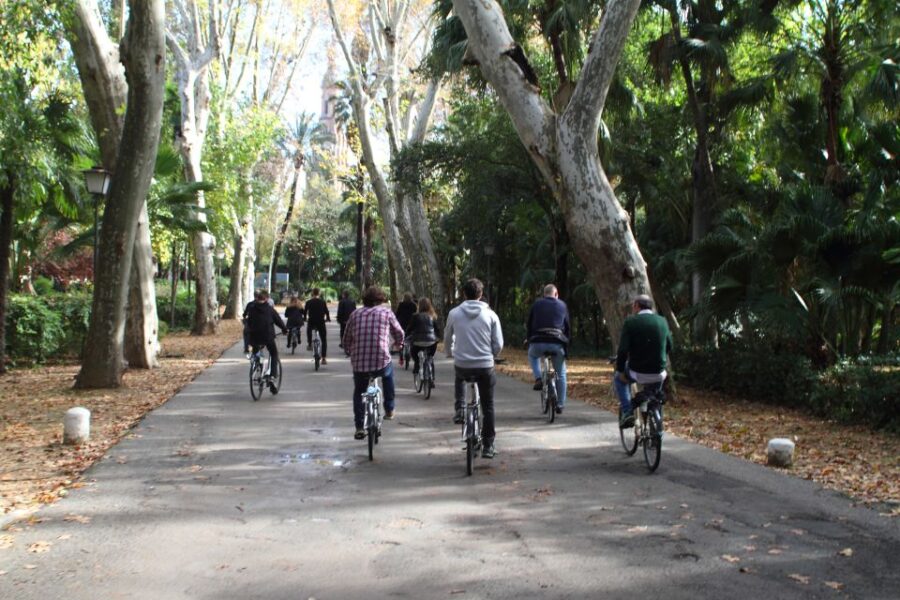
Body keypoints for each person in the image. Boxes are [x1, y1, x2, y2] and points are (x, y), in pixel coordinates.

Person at [444, 278, 504, 459]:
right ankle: (488, 445)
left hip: (462, 363)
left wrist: (449, 352)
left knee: (460, 376)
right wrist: (492, 354)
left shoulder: (454, 313)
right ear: (481, 294)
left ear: (464, 294)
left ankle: (460, 408)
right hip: (485, 366)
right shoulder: (491, 315)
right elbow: (498, 343)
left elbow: (447, 336)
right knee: (488, 406)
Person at [343, 286, 405, 439]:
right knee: (388, 376)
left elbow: (346, 338)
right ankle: (389, 409)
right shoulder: (386, 313)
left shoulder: (355, 314)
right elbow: (399, 333)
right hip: (381, 360)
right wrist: (398, 344)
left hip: (360, 363)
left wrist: (348, 350)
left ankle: (359, 426)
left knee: (359, 391)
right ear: (380, 299)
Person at [613, 294, 674, 428]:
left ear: (636, 306)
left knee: (618, 378)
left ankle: (627, 412)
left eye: (633, 306)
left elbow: (622, 350)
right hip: (659, 373)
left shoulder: (630, 322)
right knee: (655, 398)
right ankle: (657, 428)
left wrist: (620, 369)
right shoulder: (662, 321)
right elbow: (670, 346)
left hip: (637, 372)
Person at [526, 284, 570, 413]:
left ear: (544, 294)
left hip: (538, 341)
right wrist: (566, 343)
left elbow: (529, 324)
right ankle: (560, 404)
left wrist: (529, 339)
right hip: (557, 342)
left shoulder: (536, 304)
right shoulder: (562, 305)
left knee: (532, 355)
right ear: (556, 294)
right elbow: (567, 327)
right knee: (561, 373)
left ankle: (538, 378)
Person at [243, 290, 287, 391]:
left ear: (257, 298)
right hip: (268, 337)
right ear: (266, 299)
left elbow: (248, 321)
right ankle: (272, 376)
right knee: (274, 354)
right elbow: (278, 320)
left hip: (254, 337)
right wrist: (284, 329)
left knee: (257, 352)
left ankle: (258, 366)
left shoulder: (252, 309)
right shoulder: (270, 309)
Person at [406, 298, 442, 376]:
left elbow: (410, 328)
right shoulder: (433, 316)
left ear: (419, 306)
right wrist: (438, 338)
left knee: (413, 352)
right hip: (431, 342)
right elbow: (437, 329)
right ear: (430, 306)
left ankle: (417, 363)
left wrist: (407, 335)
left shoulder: (415, 316)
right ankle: (431, 373)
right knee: (430, 356)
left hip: (417, 342)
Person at [304, 287, 331, 364]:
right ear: (319, 293)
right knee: (324, 340)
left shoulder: (308, 302)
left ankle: (309, 344)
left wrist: (304, 318)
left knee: (309, 330)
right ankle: (324, 358)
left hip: (312, 321)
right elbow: (326, 311)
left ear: (312, 293)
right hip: (321, 322)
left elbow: (305, 312)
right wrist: (328, 318)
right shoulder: (322, 302)